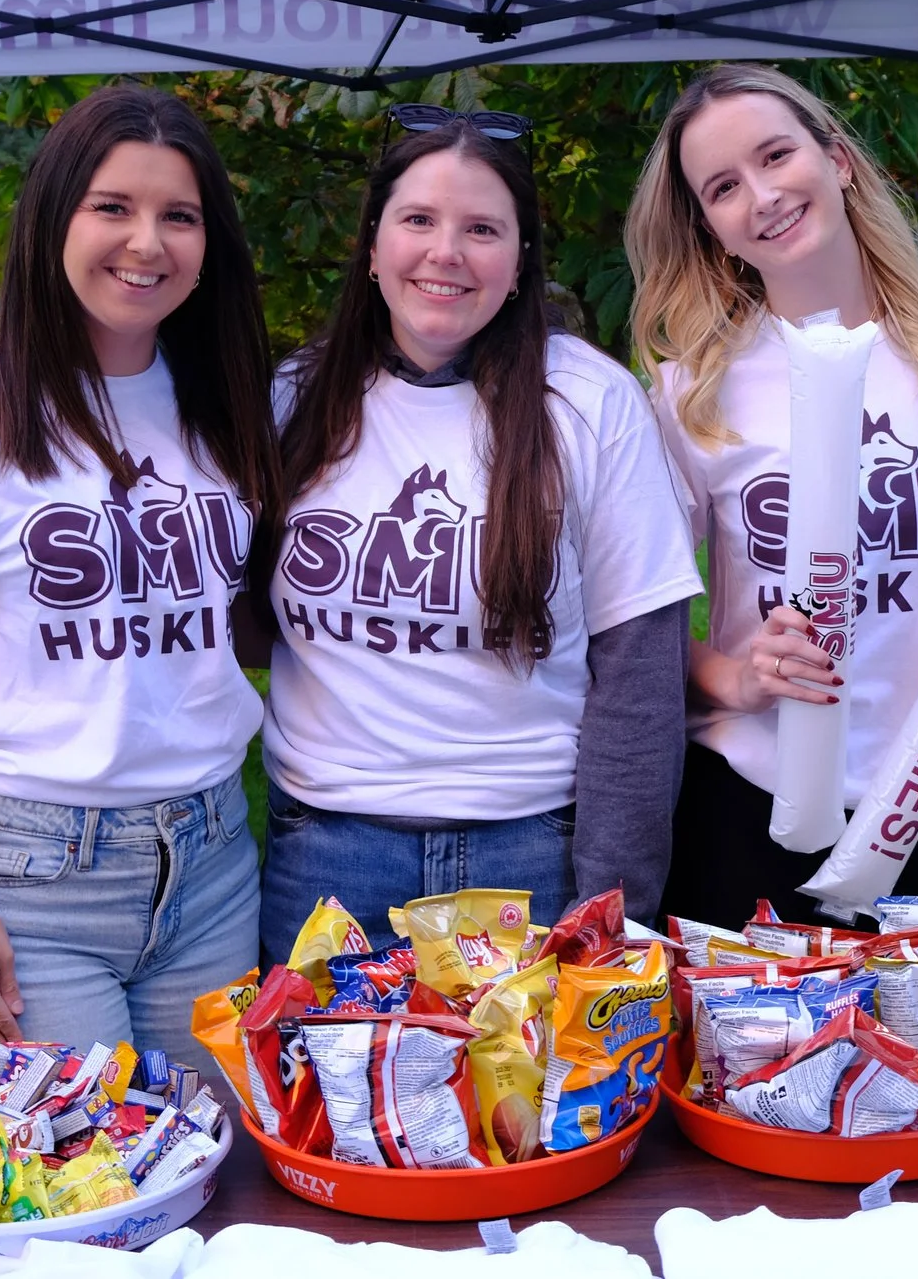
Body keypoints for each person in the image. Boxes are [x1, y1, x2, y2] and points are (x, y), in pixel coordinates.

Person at [0, 85, 279, 1075]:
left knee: (203, 1169)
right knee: (73, 1191)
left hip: (209, 864)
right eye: (112, 206)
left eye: (180, 215)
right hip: (29, 874)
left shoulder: (228, 405)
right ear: (51, 220)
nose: (146, 242)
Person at [258, 105, 700, 956]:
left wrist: (614, 907)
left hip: (529, 859)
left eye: (483, 228)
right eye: (418, 219)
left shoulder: (592, 403)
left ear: (521, 257)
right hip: (326, 861)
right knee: (331, 1094)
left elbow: (641, 676)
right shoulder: (292, 399)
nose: (446, 251)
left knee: (522, 1098)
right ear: (373, 242)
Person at [624, 64, 918, 929]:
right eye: (723, 187)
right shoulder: (691, 393)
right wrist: (738, 677)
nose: (763, 194)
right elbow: (640, 628)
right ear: (711, 227)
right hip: (753, 805)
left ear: (838, 160)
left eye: (776, 155)